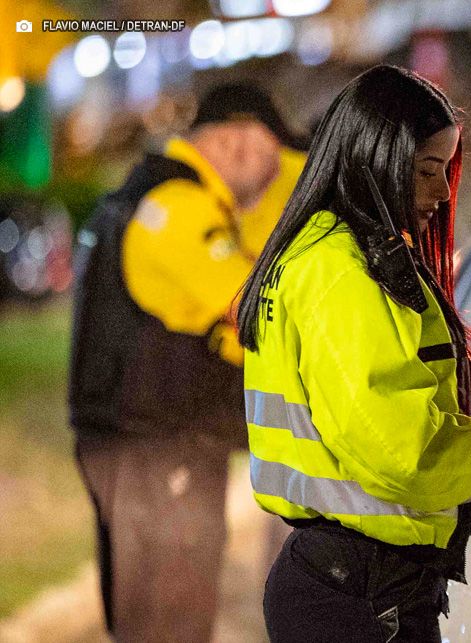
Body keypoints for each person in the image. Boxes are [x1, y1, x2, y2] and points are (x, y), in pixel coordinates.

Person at [237, 64, 471, 642]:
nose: (441, 192)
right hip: (363, 593)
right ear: (377, 159)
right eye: (427, 171)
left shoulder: (321, 253)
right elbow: (403, 449)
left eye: (446, 171)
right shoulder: (341, 272)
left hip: (342, 581)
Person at [69, 83, 297, 641]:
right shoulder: (178, 210)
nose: (277, 177)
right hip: (156, 445)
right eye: (274, 158)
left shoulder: (155, 195)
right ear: (237, 144)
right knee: (169, 619)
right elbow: (252, 309)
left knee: (157, 612)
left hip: (148, 444)